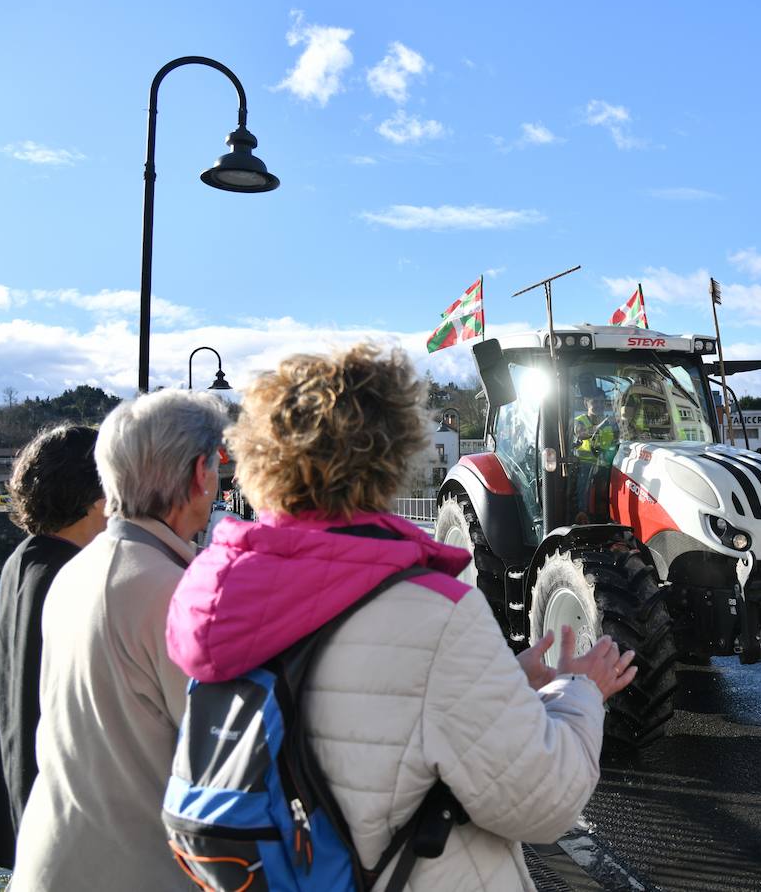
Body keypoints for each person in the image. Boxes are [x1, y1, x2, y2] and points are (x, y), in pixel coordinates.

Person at [166, 345, 636, 892]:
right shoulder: (431, 614)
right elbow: (542, 802)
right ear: (392, 455)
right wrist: (578, 693)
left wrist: (504, 680)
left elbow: (373, 711)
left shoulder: (215, 596)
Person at [10, 391, 228, 891]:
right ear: (200, 473)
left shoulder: (77, 568)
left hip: (54, 858)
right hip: (136, 870)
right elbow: (223, 756)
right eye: (217, 465)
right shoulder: (175, 593)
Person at [0, 425, 105, 870]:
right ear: (97, 496)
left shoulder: (25, 559)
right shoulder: (73, 574)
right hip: (63, 816)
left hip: (24, 801)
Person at [572, 391, 619, 520]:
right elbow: (582, 434)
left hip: (606, 465)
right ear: (586, 403)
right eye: (595, 402)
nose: (599, 405)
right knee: (584, 492)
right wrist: (602, 424)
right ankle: (583, 515)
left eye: (602, 402)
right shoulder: (579, 421)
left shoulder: (611, 423)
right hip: (585, 465)